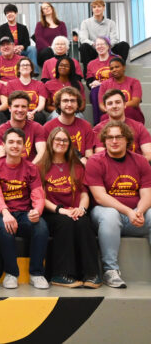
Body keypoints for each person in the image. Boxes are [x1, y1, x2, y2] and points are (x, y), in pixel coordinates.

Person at [87, 121, 151, 288]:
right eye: (109, 137)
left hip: (135, 215)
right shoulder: (95, 161)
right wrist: (129, 211)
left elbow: (147, 193)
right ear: (104, 140)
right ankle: (111, 271)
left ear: (127, 139)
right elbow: (100, 197)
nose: (114, 141)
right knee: (110, 215)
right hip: (104, 215)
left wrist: (140, 211)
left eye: (118, 137)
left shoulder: (141, 161)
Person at [39, 127, 101, 288]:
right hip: (52, 212)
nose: (61, 143)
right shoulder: (40, 167)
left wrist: (82, 209)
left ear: (69, 144)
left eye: (65, 140)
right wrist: (61, 210)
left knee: (83, 222)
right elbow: (41, 198)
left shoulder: (78, 166)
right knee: (64, 222)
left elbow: (84, 194)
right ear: (51, 142)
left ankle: (91, 274)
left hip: (74, 210)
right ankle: (61, 274)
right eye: (57, 139)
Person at [0, 128, 49, 290]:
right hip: (0, 214)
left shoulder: (31, 168)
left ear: (24, 147)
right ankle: (11, 273)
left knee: (41, 226)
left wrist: (37, 211)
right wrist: (6, 213)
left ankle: (36, 274)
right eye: (11, 142)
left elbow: (38, 193)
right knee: (5, 228)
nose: (15, 146)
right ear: (3, 145)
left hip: (24, 213)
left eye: (19, 142)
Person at [94, 89, 151, 161]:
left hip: (136, 168)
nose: (114, 106)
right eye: (110, 103)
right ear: (105, 107)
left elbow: (148, 153)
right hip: (110, 170)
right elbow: (101, 156)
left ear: (124, 105)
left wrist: (133, 167)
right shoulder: (98, 129)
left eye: (118, 102)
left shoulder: (139, 127)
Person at [0, 91, 46, 164]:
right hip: (9, 172)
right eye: (16, 106)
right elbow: (2, 159)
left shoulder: (36, 127)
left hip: (32, 170)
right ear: (9, 108)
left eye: (23, 106)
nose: (20, 110)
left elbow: (42, 154)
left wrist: (30, 169)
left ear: (28, 109)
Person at [44, 87, 94, 165]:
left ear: (78, 104)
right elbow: (47, 155)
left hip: (80, 166)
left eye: (73, 101)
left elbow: (89, 154)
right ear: (59, 104)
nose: (69, 104)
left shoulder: (86, 126)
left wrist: (85, 160)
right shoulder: (48, 127)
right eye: (65, 101)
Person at [79, 0, 130, 74]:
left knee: (124, 45)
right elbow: (83, 39)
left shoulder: (111, 23)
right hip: (94, 50)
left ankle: (119, 69)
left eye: (99, 6)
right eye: (94, 7)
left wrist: (106, 46)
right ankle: (88, 73)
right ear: (92, 9)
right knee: (84, 46)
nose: (97, 9)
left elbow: (114, 39)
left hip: (108, 50)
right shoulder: (85, 22)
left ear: (104, 8)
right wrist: (96, 45)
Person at [98, 57, 144, 124]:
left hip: (132, 114)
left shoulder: (134, 82)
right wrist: (111, 109)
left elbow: (135, 102)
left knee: (128, 111)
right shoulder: (105, 84)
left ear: (124, 67)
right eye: (112, 68)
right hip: (112, 113)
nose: (114, 70)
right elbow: (101, 105)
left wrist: (117, 107)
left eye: (117, 67)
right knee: (104, 118)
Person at [0, 3, 38, 74]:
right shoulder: (1, 28)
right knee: (1, 52)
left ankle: (34, 72)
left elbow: (27, 42)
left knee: (32, 49)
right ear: (5, 15)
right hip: (8, 49)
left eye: (11, 12)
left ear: (16, 14)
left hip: (21, 50)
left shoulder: (23, 27)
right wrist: (12, 48)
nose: (9, 14)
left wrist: (21, 47)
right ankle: (0, 73)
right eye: (7, 13)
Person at [6, 58, 47, 124]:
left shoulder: (40, 84)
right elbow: (10, 102)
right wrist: (25, 113)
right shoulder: (11, 84)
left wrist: (32, 113)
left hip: (34, 112)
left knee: (40, 116)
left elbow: (42, 104)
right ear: (18, 69)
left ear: (31, 69)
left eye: (27, 65)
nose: (25, 67)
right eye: (22, 65)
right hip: (17, 111)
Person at [85, 36, 113, 124]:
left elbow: (119, 77)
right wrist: (92, 84)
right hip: (98, 90)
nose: (100, 46)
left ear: (108, 46)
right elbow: (89, 81)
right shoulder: (91, 64)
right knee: (95, 91)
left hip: (114, 87)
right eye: (97, 45)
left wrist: (102, 83)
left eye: (102, 44)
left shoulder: (116, 59)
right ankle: (99, 123)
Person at [34, 2, 67, 68]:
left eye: (48, 7)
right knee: (48, 51)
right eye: (44, 8)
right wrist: (50, 47)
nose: (46, 9)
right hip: (45, 53)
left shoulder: (61, 24)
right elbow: (39, 38)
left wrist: (57, 48)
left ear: (52, 8)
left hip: (59, 51)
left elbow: (64, 38)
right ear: (43, 12)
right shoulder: (40, 25)